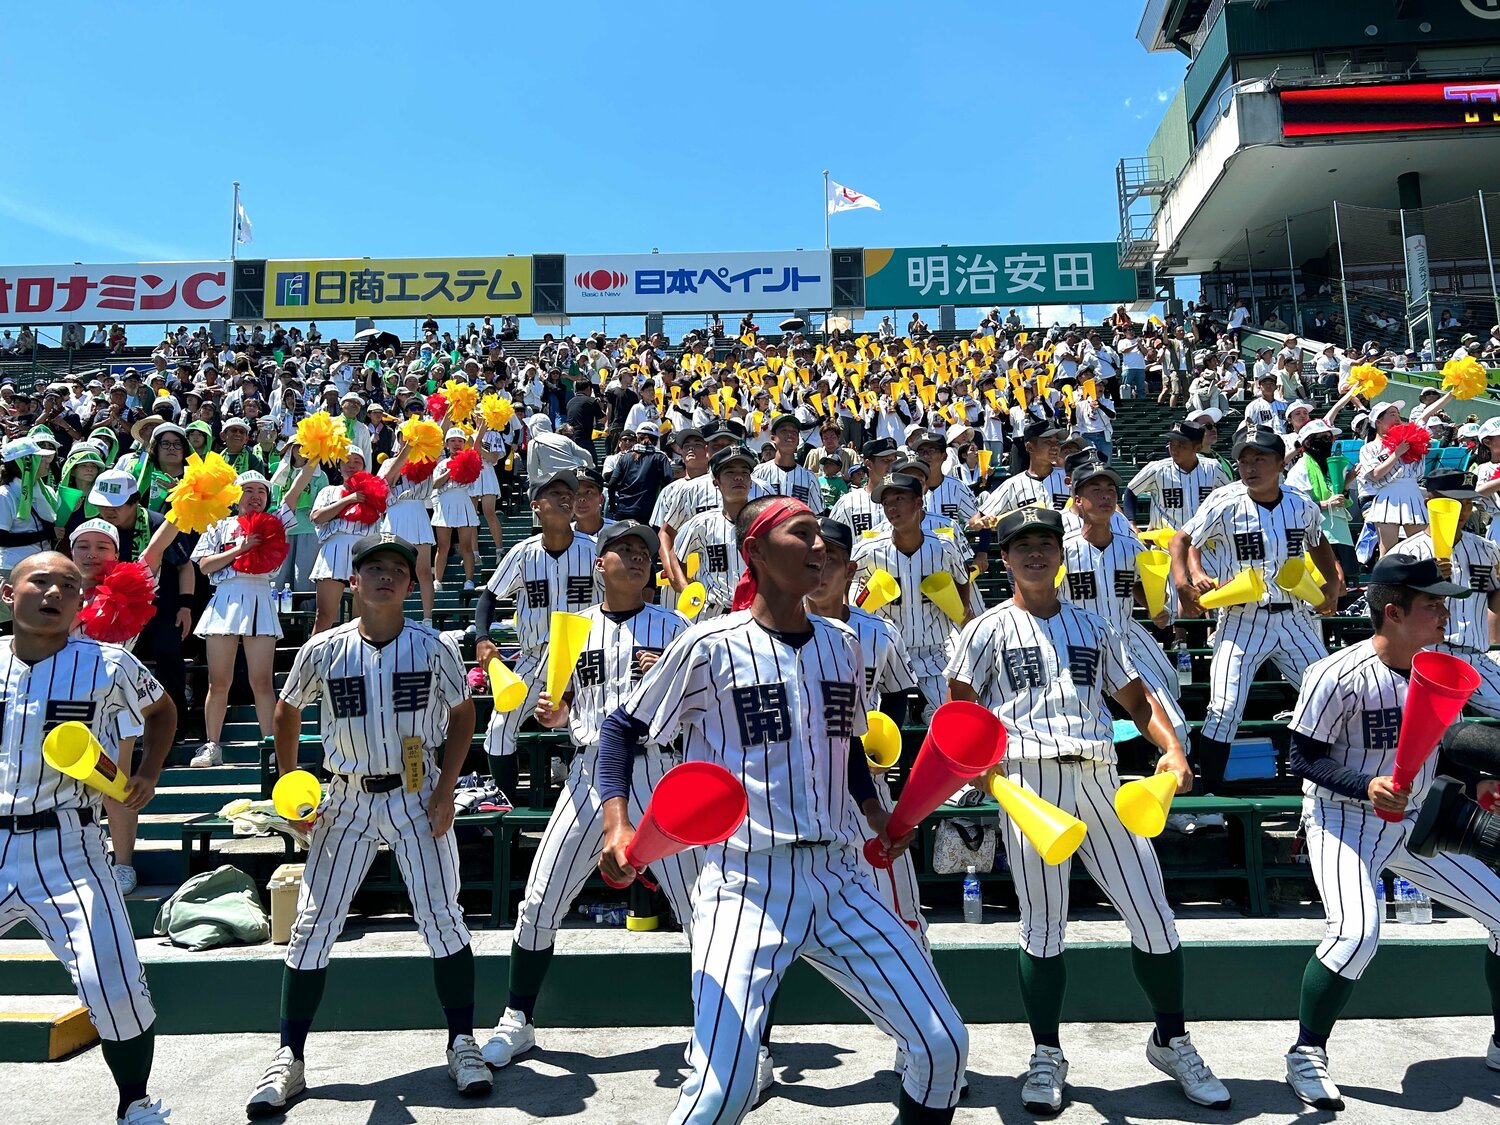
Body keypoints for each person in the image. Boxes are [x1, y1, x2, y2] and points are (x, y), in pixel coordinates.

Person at [596, 496, 968, 1125]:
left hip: (840, 876)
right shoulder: (709, 645)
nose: (820, 546)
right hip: (745, 880)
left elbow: (846, 743)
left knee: (942, 1045)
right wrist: (617, 823)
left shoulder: (845, 644)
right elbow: (619, 728)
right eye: (803, 534)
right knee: (723, 1092)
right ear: (757, 552)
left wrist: (874, 813)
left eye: (821, 534)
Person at [946, 507, 1230, 1114]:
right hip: (1029, 782)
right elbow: (961, 715)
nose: (1035, 553)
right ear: (1004, 558)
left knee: (1154, 917)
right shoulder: (983, 630)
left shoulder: (1093, 625)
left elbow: (1136, 699)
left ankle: (1172, 1040)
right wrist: (984, 772)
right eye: (1022, 545)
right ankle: (1047, 1054)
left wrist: (1173, 748)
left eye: (1046, 543)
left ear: (1061, 554)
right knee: (1043, 927)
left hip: (1100, 776)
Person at [246, 533, 487, 1115]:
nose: (385, 577)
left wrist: (447, 791)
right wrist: (292, 786)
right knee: (312, 924)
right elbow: (287, 711)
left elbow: (463, 714)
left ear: (410, 583)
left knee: (442, 917)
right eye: (373, 568)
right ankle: (289, 1057)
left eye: (396, 570)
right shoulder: (324, 648)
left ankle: (462, 1042)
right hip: (346, 797)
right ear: (353, 581)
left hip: (416, 793)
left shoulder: (434, 646)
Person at [1282, 552, 1500, 1109]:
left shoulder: (1438, 668)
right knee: (1356, 933)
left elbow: (1438, 750)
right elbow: (1302, 758)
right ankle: (1306, 1053)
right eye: (1432, 604)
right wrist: (1366, 786)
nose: (1445, 613)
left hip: (1413, 820)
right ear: (1394, 613)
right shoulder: (1335, 674)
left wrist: (1474, 782)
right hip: (1342, 819)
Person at [479, 521, 697, 1067]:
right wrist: (557, 714)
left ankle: (720, 1030)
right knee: (540, 900)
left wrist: (669, 676)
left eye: (643, 550)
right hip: (590, 771)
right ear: (599, 564)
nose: (638, 557)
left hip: (660, 771)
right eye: (624, 550)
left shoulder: (676, 627)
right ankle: (518, 1018)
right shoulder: (572, 630)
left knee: (702, 909)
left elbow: (701, 704)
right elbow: (564, 705)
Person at [0, 552, 177, 1125]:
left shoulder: (108, 663)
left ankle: (136, 1103)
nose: (54, 592)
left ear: (82, 602)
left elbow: (162, 711)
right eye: (40, 581)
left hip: (68, 844)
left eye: (69, 585)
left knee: (114, 984)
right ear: (9, 593)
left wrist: (148, 772)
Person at [1170, 428, 1342, 792]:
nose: (1249, 467)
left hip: (1295, 618)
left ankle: (1329, 781)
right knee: (1224, 708)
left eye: (1259, 459)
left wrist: (1332, 581)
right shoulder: (1225, 500)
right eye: (1244, 460)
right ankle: (1211, 793)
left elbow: (1318, 542)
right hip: (1241, 619)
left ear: (1280, 463)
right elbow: (1183, 539)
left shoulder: (1301, 503)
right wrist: (1189, 577)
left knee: (1330, 695)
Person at [473, 470, 597, 796]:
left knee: (591, 729)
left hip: (585, 658)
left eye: (569, 493)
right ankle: (506, 805)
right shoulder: (522, 553)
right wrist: (482, 637)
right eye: (555, 493)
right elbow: (489, 597)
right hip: (534, 657)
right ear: (535, 506)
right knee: (499, 728)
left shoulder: (595, 551)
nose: (566, 497)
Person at [189, 464, 319, 767]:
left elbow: (294, 491)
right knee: (218, 682)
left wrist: (313, 458)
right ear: (235, 496)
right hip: (224, 599)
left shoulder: (275, 521)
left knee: (261, 681)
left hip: (261, 597)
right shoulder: (219, 525)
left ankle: (271, 746)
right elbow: (205, 566)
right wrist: (240, 548)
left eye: (261, 491)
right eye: (248, 490)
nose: (255, 496)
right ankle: (212, 746)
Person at [850, 472, 972, 721]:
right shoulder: (869, 549)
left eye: (899, 499)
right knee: (877, 723)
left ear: (918, 502)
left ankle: (927, 712)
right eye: (886, 502)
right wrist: (853, 605)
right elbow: (844, 576)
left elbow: (962, 578)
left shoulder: (943, 546)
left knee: (956, 719)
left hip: (934, 652)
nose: (891, 508)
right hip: (886, 654)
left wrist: (961, 612)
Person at [668, 445, 755, 619]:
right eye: (730, 472)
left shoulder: (766, 523)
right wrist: (685, 588)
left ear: (751, 482)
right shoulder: (702, 523)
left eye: (744, 472)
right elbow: (675, 555)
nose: (738, 477)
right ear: (716, 482)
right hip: (714, 613)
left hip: (755, 613)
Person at [430, 427, 481, 592]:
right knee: (443, 546)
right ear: (446, 444)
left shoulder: (470, 461)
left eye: (460, 441)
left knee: (466, 546)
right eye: (452, 440)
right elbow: (435, 484)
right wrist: (450, 471)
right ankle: (438, 580)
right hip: (445, 504)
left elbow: (472, 479)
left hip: (463, 502)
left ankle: (469, 580)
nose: (456, 443)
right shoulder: (442, 464)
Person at [751, 413, 825, 514]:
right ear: (773, 438)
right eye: (784, 430)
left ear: (798, 440)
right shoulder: (758, 473)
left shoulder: (810, 478)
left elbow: (817, 515)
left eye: (794, 431)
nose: (790, 434)